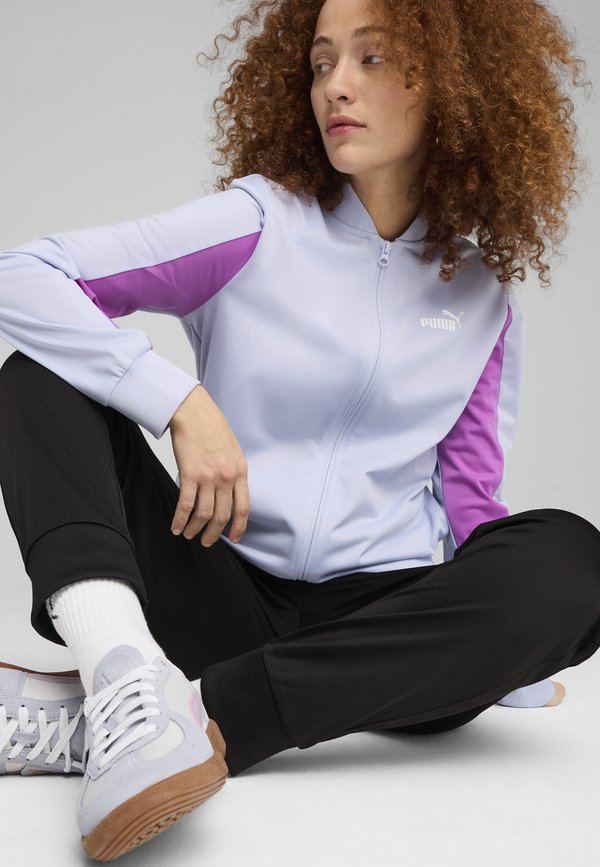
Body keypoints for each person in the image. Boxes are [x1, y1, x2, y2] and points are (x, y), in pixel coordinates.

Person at [0, 0, 598, 860]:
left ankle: (160, 719)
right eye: (321, 63)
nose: (335, 87)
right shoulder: (257, 225)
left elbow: (473, 505)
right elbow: (26, 274)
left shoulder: (482, 301)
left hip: (379, 636)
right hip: (214, 584)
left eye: (371, 58)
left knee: (576, 558)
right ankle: (123, 668)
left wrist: (508, 647)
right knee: (41, 373)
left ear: (451, 81)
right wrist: (179, 401)